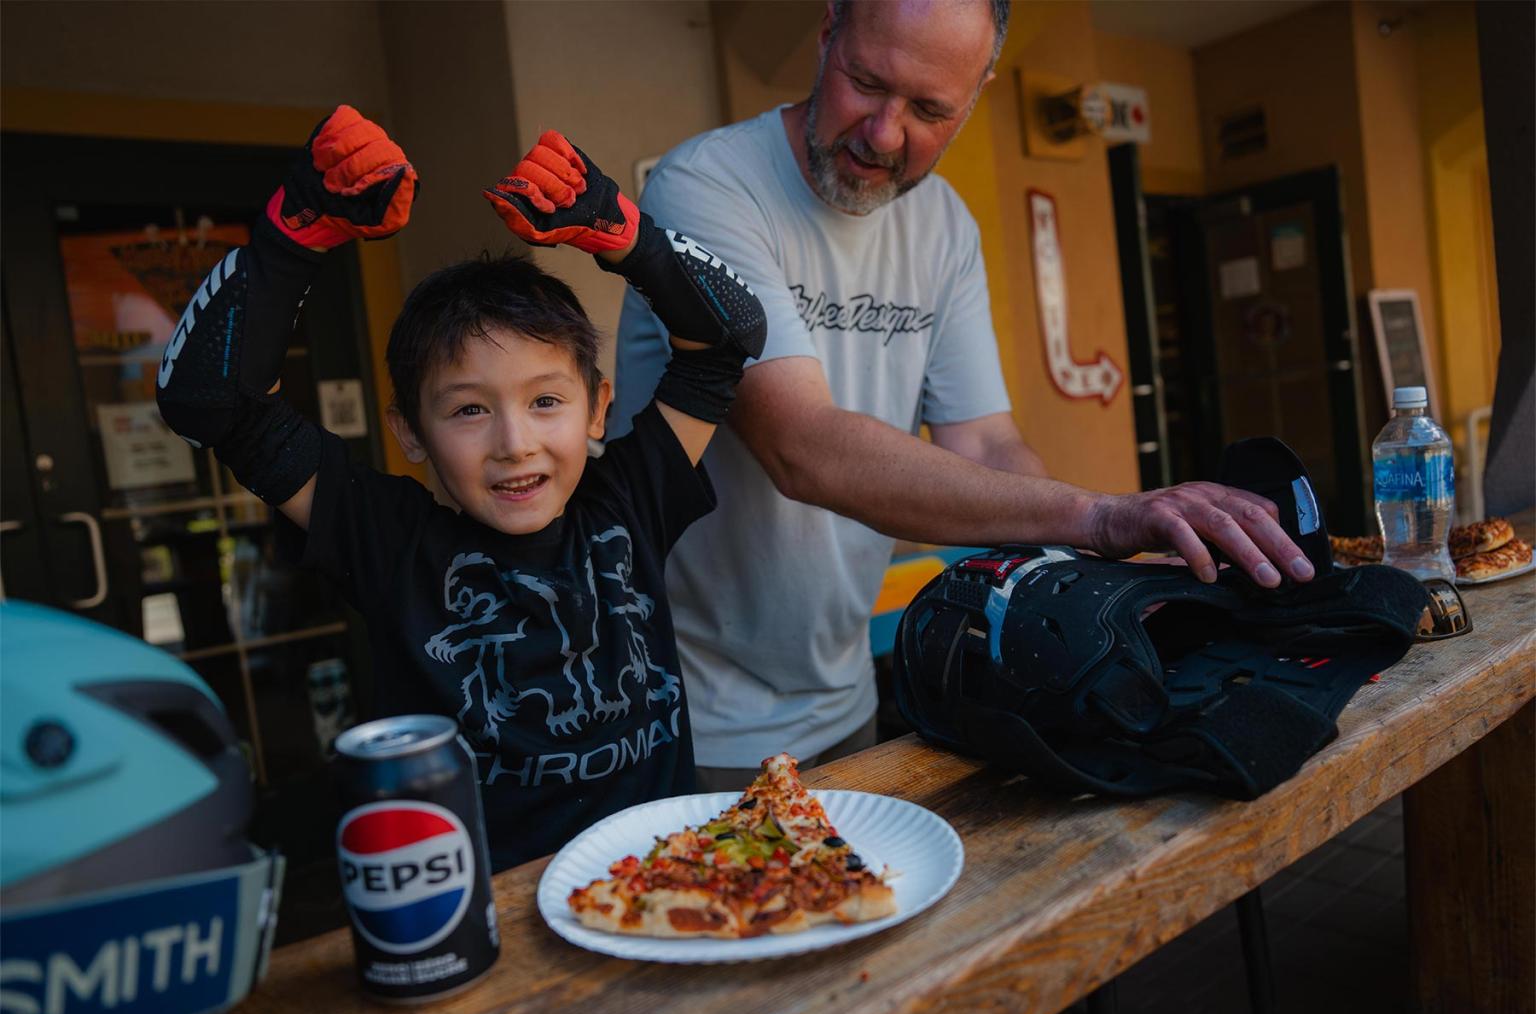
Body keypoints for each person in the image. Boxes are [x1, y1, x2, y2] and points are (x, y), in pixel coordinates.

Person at [611, 0, 1316, 790]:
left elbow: (983, 442)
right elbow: (801, 446)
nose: (883, 133)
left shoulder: (943, 226)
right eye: (865, 81)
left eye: (928, 109)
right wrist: (1100, 514)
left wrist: (1096, 577)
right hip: (682, 711)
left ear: (976, 93)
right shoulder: (706, 189)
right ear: (826, 34)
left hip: (845, 698)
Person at [156, 106, 766, 869]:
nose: (516, 444)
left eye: (547, 401)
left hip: (662, 886)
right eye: (470, 410)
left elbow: (732, 335)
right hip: (485, 926)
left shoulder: (631, 499)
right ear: (410, 432)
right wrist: (295, 233)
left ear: (598, 409)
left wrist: (618, 230)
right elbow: (205, 400)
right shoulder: (387, 541)